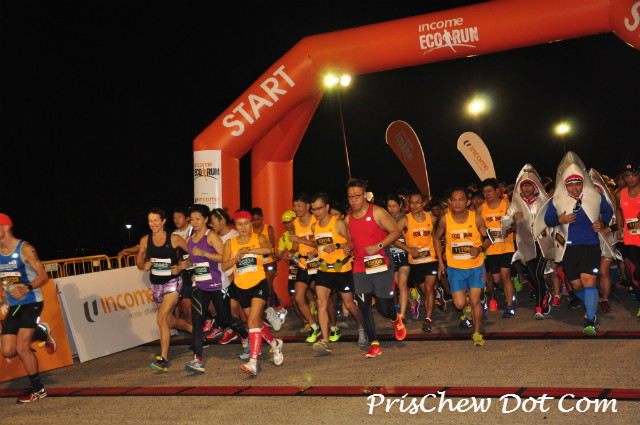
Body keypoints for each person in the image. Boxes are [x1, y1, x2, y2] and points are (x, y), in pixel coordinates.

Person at [544, 156, 613, 335]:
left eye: (578, 183)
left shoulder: (595, 196)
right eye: (570, 185)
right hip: (568, 247)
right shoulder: (557, 200)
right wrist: (560, 220)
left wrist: (602, 222)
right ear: (565, 185)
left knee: (589, 280)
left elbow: (608, 211)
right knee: (576, 285)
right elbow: (548, 219)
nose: (575, 187)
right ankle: (590, 302)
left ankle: (590, 319)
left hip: (590, 245)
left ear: (583, 183)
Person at [344, 179, 405, 358]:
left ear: (364, 195)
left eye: (357, 196)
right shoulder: (347, 219)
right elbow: (351, 242)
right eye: (350, 196)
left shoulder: (377, 212)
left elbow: (396, 232)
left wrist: (378, 245)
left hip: (381, 263)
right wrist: (348, 247)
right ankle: (374, 344)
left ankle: (394, 317)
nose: (353, 200)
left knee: (383, 307)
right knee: (363, 306)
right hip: (360, 266)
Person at [184, 205, 249, 373]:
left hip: (218, 283)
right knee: (197, 321)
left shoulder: (211, 235)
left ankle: (245, 335)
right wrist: (188, 266)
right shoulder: (190, 240)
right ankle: (197, 360)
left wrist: (204, 253)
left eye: (198, 219)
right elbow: (194, 259)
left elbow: (223, 258)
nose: (195, 222)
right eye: (192, 219)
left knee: (225, 318)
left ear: (206, 219)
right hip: (200, 284)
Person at [1, 213, 56, 403]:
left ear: (5, 227)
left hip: (32, 301)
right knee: (8, 350)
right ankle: (40, 332)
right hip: (14, 305)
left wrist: (25, 288)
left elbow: (43, 276)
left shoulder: (25, 249)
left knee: (22, 347)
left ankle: (38, 389)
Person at [222, 210, 283, 376]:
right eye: (239, 224)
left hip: (258, 284)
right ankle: (275, 344)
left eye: (246, 223)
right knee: (255, 322)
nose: (243, 227)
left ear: (251, 224)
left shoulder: (258, 238)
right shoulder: (230, 243)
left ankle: (253, 363)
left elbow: (269, 249)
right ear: (235, 226)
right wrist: (236, 258)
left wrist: (249, 250)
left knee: (251, 323)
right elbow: (224, 266)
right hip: (241, 287)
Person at [433, 188, 492, 346]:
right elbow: (436, 238)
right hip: (455, 268)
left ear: (467, 202)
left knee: (474, 300)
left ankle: (477, 333)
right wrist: (440, 262)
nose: (457, 203)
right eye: (454, 200)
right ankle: (470, 306)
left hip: (476, 266)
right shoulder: (445, 220)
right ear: (449, 202)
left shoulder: (476, 218)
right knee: (459, 304)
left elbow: (490, 238)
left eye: (461, 199)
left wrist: (479, 249)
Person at [136, 207, 192, 372]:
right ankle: (195, 331)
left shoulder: (174, 239)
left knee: (161, 319)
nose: (153, 223)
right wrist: (144, 265)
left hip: (173, 282)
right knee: (170, 321)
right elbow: (139, 262)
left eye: (156, 220)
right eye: (150, 221)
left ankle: (164, 359)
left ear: (163, 221)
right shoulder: (145, 240)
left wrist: (181, 266)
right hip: (156, 284)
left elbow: (192, 255)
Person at [309, 192, 365, 353]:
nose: (317, 212)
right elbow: (319, 244)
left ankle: (363, 327)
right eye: (313, 209)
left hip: (342, 269)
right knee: (321, 303)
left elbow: (353, 243)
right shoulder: (314, 226)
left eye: (319, 208)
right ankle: (325, 340)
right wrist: (314, 252)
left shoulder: (338, 223)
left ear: (327, 207)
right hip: (324, 269)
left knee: (348, 304)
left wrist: (337, 246)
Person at [501, 165, 554, 319]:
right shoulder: (516, 203)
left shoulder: (544, 200)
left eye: (529, 185)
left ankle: (539, 307)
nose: (526, 188)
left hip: (543, 242)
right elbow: (504, 221)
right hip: (525, 244)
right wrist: (512, 218)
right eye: (524, 185)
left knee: (537, 273)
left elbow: (553, 219)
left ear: (535, 186)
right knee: (532, 274)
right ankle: (545, 294)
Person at [393, 191, 440, 332]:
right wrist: (408, 248)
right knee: (426, 291)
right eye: (412, 202)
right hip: (415, 263)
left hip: (431, 259)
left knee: (428, 289)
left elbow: (437, 238)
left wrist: (440, 258)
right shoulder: (405, 220)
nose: (414, 205)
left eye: (417, 202)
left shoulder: (432, 219)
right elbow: (392, 237)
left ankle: (428, 319)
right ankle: (438, 295)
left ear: (423, 203)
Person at [479, 178, 516, 318]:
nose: (487, 194)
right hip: (491, 249)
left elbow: (516, 224)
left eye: (489, 191)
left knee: (505, 275)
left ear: (497, 191)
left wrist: (509, 230)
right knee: (496, 279)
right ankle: (510, 293)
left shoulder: (508, 205)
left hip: (506, 246)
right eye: (485, 192)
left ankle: (510, 305)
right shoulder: (481, 209)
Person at [286, 193, 321, 342]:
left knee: (323, 297)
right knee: (299, 297)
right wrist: (291, 252)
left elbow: (320, 243)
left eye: (299, 205)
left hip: (318, 260)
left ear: (307, 206)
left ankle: (332, 326)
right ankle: (314, 327)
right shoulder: (295, 223)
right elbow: (295, 244)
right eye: (294, 205)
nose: (296, 208)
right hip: (303, 262)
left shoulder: (316, 221)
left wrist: (306, 245)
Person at [385, 194, 416, 321]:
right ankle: (413, 302)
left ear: (400, 205)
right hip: (391, 256)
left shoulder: (406, 218)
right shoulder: (385, 219)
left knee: (402, 284)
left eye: (394, 206)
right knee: (398, 284)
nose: (391, 209)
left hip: (404, 255)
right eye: (389, 206)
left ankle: (402, 315)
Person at [616, 160, 640, 317]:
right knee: (636, 272)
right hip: (631, 239)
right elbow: (618, 211)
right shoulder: (619, 194)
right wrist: (619, 227)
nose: (630, 179)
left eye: (633, 175)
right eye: (627, 176)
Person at [172, 208, 193, 329]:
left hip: (199, 271)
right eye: (174, 217)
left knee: (209, 305)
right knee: (186, 307)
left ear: (187, 218)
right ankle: (194, 332)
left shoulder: (194, 230)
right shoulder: (173, 235)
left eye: (179, 217)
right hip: (184, 273)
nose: (176, 220)